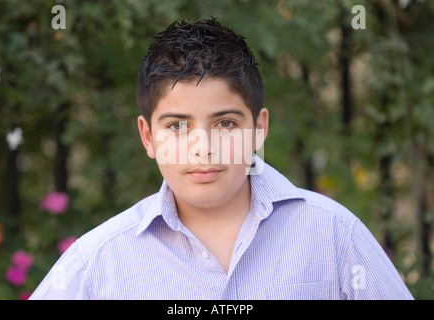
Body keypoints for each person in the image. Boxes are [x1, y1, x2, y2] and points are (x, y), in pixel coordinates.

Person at [30, 18, 413, 300]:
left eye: (225, 122)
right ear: (148, 136)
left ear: (258, 130)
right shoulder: (99, 262)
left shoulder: (333, 236)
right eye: (177, 126)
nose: (203, 147)